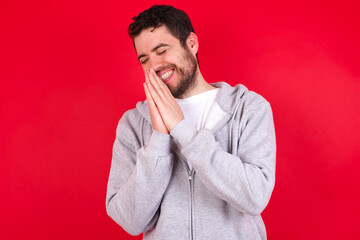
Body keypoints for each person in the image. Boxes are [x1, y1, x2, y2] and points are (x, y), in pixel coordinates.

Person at [106, 5, 276, 240]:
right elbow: (130, 221)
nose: (154, 66)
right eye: (144, 59)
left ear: (192, 44)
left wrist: (181, 129)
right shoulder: (134, 124)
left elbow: (255, 196)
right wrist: (159, 140)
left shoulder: (248, 108)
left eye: (162, 50)